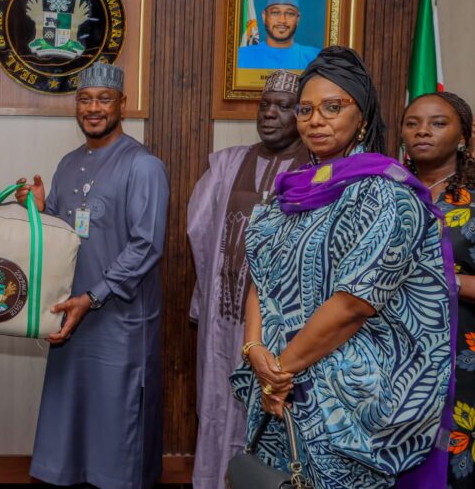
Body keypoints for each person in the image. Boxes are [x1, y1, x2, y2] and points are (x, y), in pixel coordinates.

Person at [231, 46, 453, 488]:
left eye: (333, 107)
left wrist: (281, 373)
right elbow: (261, 278)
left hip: (349, 404)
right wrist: (255, 351)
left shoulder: (388, 195)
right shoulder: (286, 197)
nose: (316, 119)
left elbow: (355, 303)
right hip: (277, 387)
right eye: (306, 109)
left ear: (362, 117)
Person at [15, 62, 169, 489]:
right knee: (74, 428)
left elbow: (146, 246)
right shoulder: (67, 164)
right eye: (85, 99)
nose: (93, 108)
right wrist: (39, 210)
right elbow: (62, 239)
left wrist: (93, 296)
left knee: (117, 432)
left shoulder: (143, 166)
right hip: (73, 317)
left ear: (122, 104)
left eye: (103, 99)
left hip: (119, 323)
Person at [187, 69, 307, 489]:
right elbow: (200, 233)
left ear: (302, 113)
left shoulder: (319, 169)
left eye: (284, 107)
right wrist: (209, 297)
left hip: (284, 324)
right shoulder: (227, 163)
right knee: (218, 401)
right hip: (225, 315)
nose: (270, 114)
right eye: (264, 105)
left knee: (270, 409)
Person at [401, 91, 475, 489]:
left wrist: (448, 279)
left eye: (438, 123)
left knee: (455, 464)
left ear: (463, 135)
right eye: (412, 123)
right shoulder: (386, 192)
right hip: (395, 360)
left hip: (462, 357)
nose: (423, 131)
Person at [237, 0, 320, 70]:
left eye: (290, 13)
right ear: (264, 16)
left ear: (298, 18)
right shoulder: (240, 56)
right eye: (275, 13)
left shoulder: (315, 58)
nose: (282, 20)